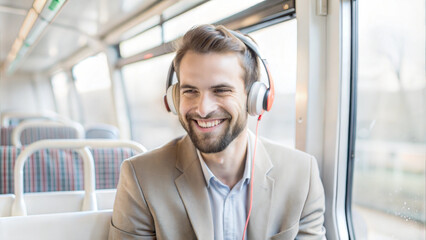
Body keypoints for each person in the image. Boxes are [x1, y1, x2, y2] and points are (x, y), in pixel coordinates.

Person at [109, 24, 326, 240]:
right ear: (175, 99)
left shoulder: (301, 175)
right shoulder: (141, 177)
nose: (203, 109)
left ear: (255, 98)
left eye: (221, 90)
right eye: (190, 91)